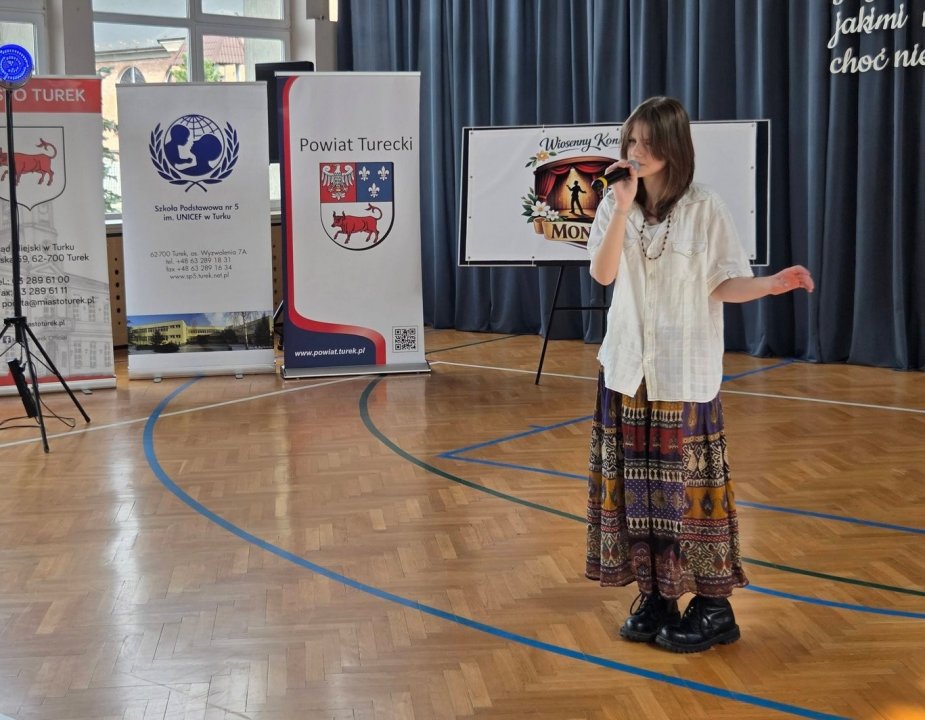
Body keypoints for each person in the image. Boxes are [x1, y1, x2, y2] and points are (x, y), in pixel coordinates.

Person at [584, 96, 813, 653]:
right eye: (630, 141)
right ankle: (656, 595)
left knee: (691, 494)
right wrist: (621, 207)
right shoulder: (616, 203)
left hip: (682, 371)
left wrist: (769, 285)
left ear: (673, 146)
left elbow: (723, 282)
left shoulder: (706, 206)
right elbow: (603, 274)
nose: (636, 151)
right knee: (638, 493)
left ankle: (714, 608)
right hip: (627, 370)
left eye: (647, 142)